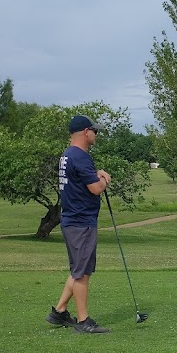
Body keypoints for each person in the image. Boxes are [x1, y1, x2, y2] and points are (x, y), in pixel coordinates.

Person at [46, 114, 113, 334]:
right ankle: (84, 321)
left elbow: (80, 179)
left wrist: (95, 174)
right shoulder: (81, 156)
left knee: (78, 268)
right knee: (82, 273)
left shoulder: (67, 155)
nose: (96, 134)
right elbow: (95, 188)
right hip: (81, 222)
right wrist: (104, 178)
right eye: (95, 131)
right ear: (86, 132)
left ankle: (59, 312)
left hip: (72, 220)